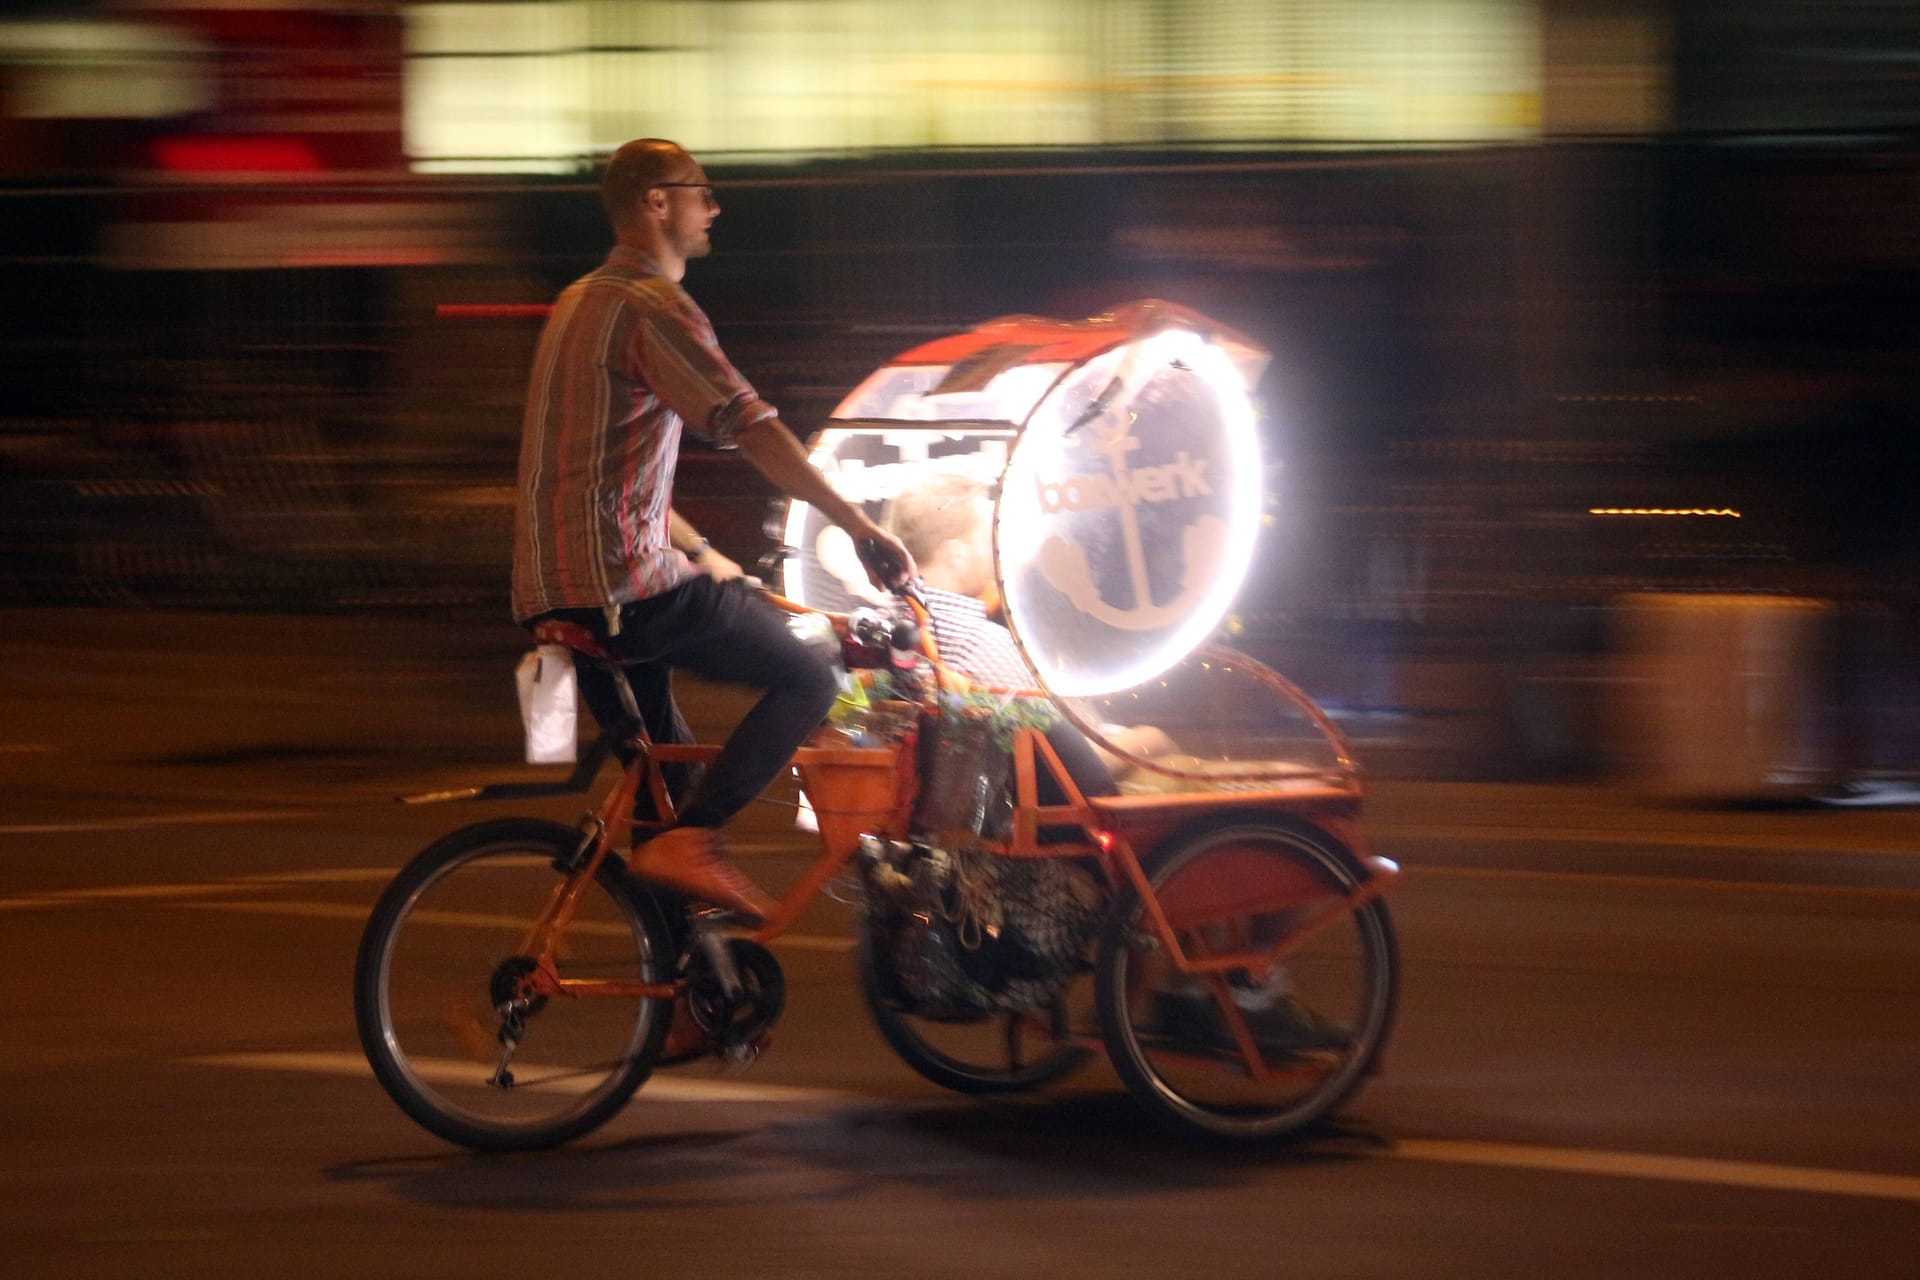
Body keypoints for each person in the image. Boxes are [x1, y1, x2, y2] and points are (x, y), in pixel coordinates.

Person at [512, 138, 915, 923]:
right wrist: (858, 524)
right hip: (623, 587)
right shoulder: (650, 306)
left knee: (662, 792)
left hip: (553, 591)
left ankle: (687, 993)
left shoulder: (577, 304)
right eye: (701, 192)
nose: (714, 208)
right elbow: (751, 425)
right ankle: (696, 841)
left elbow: (596, 469)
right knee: (814, 674)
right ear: (656, 203)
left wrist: (699, 552)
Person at [886, 472, 1178, 794]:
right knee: (1156, 742)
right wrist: (1147, 740)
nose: (995, 553)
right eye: (986, 541)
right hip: (1045, 811)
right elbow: (1074, 759)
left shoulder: (884, 632)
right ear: (956, 554)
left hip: (924, 798)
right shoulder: (980, 645)